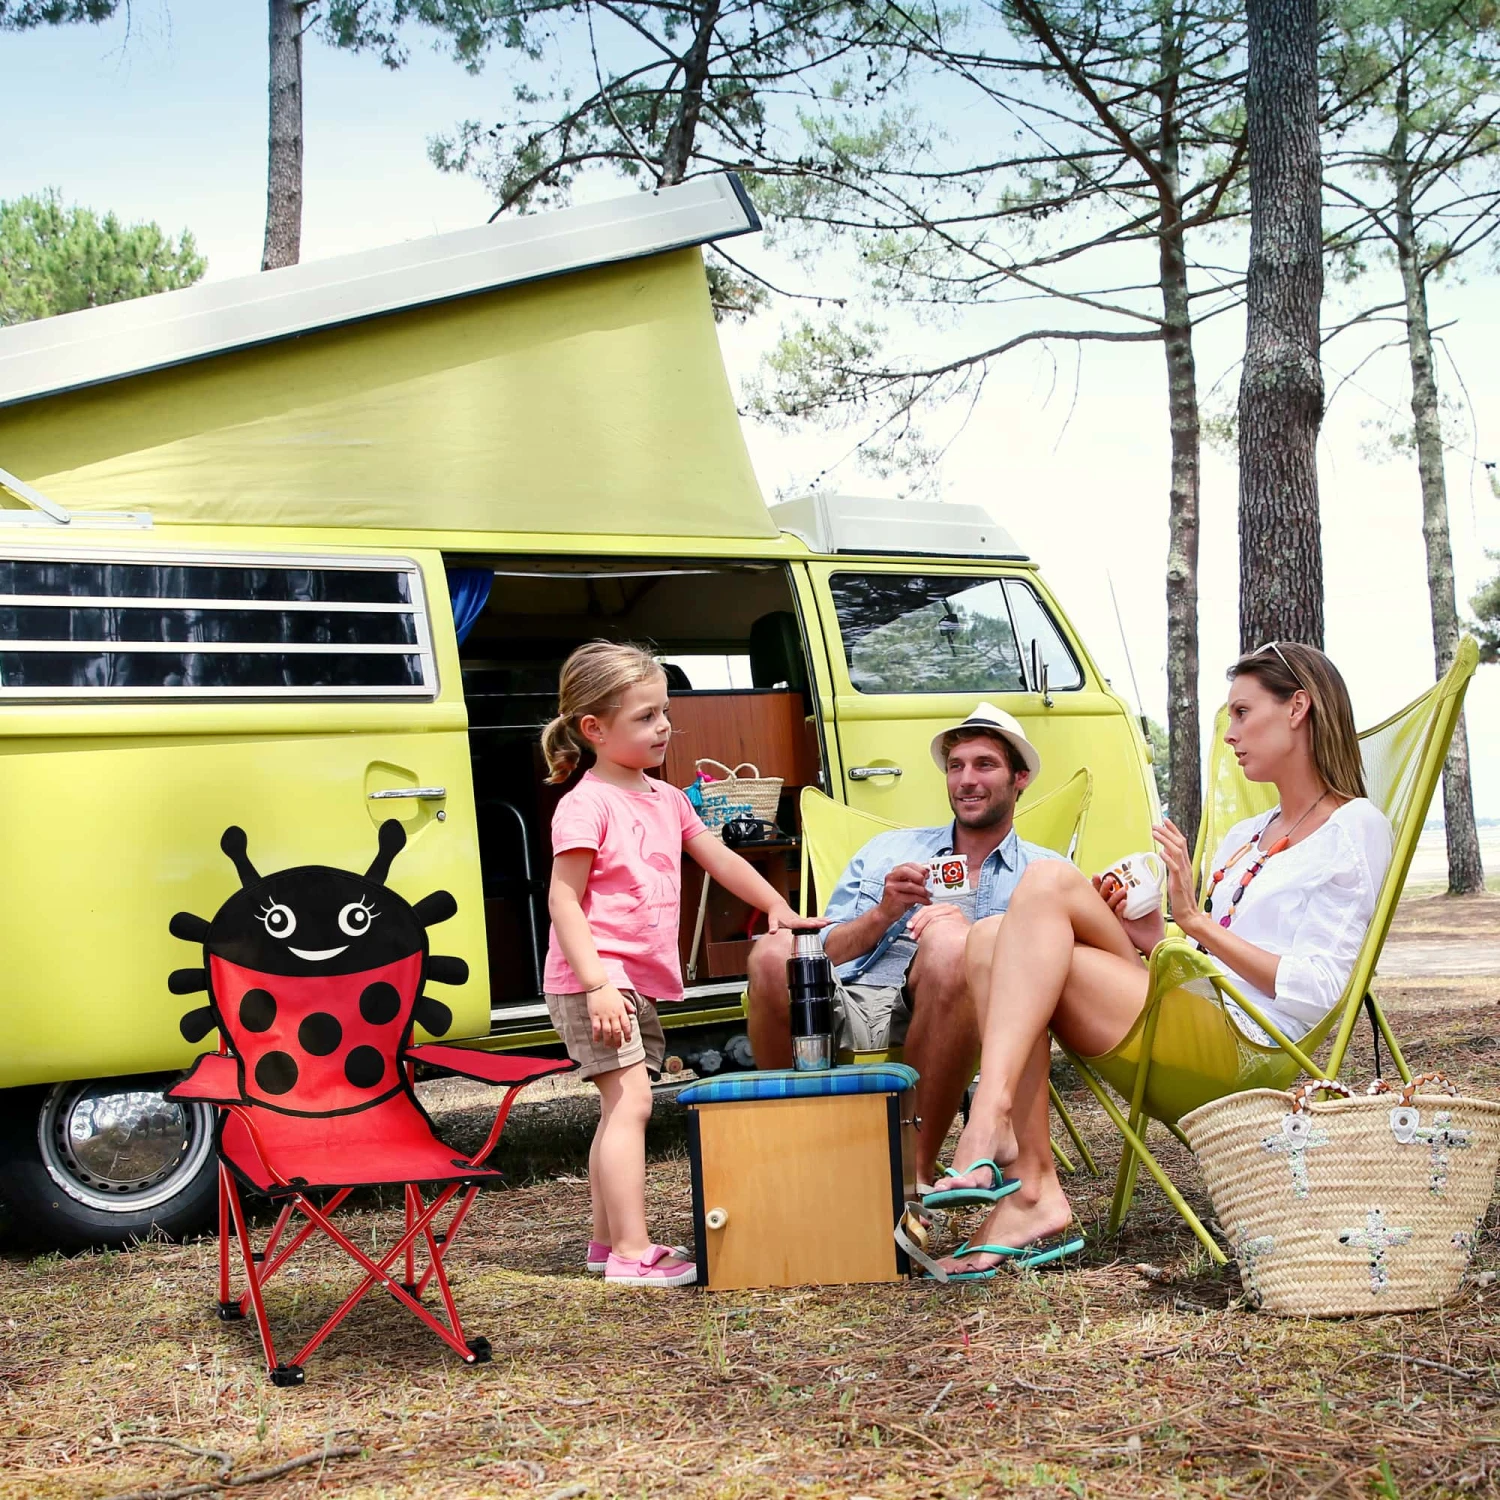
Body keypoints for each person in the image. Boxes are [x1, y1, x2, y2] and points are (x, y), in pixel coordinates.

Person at [930, 641, 1393, 1279]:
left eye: (1241, 713)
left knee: (1040, 886)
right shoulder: (1247, 836)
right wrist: (1152, 934)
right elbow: (1203, 960)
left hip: (1245, 1044)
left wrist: (1193, 921)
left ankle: (992, 1124)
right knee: (988, 937)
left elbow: (1316, 989)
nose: (1229, 734)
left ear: (1298, 708)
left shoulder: (1354, 825)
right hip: (1193, 1009)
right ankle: (1030, 1182)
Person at [542, 640, 826, 1287]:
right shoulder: (586, 804)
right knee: (632, 1104)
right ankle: (630, 1252)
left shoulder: (668, 799)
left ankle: (605, 1243)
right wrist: (597, 985)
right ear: (594, 729)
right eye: (645, 716)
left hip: (627, 981)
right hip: (596, 979)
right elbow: (563, 898)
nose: (663, 726)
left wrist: (777, 907)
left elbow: (719, 858)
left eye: (664, 711)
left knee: (619, 1105)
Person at [745, 703, 1065, 1194]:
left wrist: (978, 936)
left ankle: (912, 1170)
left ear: (1019, 778)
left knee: (951, 946)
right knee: (772, 954)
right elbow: (825, 950)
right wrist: (883, 912)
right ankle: (790, 1151)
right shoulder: (888, 851)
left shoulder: (1044, 874)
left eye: (984, 765)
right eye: (955, 766)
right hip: (849, 1001)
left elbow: (1057, 967)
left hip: (964, 1013)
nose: (966, 780)